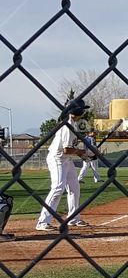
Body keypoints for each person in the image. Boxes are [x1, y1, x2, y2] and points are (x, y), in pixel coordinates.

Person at [36, 98, 92, 231]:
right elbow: (66, 150)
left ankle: (73, 218)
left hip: (66, 160)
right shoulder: (68, 125)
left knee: (74, 188)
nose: (84, 112)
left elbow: (70, 148)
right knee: (58, 188)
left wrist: (81, 155)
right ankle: (43, 221)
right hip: (58, 159)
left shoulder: (73, 124)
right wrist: (84, 151)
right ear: (77, 110)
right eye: (82, 109)